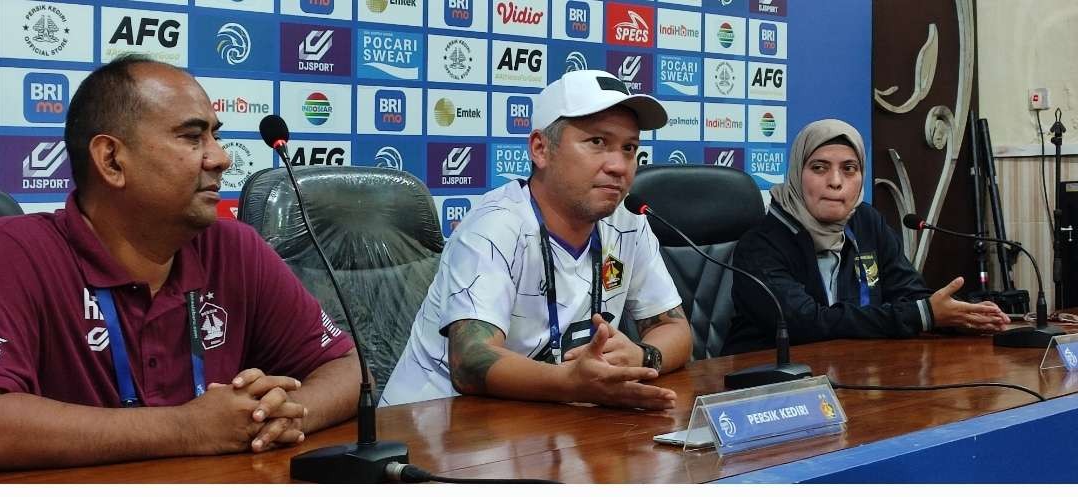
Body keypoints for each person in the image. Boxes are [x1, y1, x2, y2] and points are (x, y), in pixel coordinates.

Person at [0, 55, 360, 470]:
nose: (221, 158)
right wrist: (188, 428)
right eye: (192, 138)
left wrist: (278, 414)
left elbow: (348, 369)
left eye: (214, 136)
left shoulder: (235, 246)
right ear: (112, 161)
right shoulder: (15, 253)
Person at [380, 70, 692, 408]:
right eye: (598, 143)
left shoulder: (628, 221)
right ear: (541, 149)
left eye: (629, 148)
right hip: (433, 424)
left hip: (543, 418)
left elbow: (675, 329)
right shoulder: (495, 225)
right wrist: (572, 383)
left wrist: (642, 356)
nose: (619, 166)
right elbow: (469, 361)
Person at [723, 119, 1010, 354]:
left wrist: (957, 317)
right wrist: (924, 314)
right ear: (797, 173)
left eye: (849, 169)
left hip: (854, 371)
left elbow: (909, 294)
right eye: (819, 168)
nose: (835, 182)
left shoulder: (865, 222)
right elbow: (808, 324)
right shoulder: (761, 244)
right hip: (768, 389)